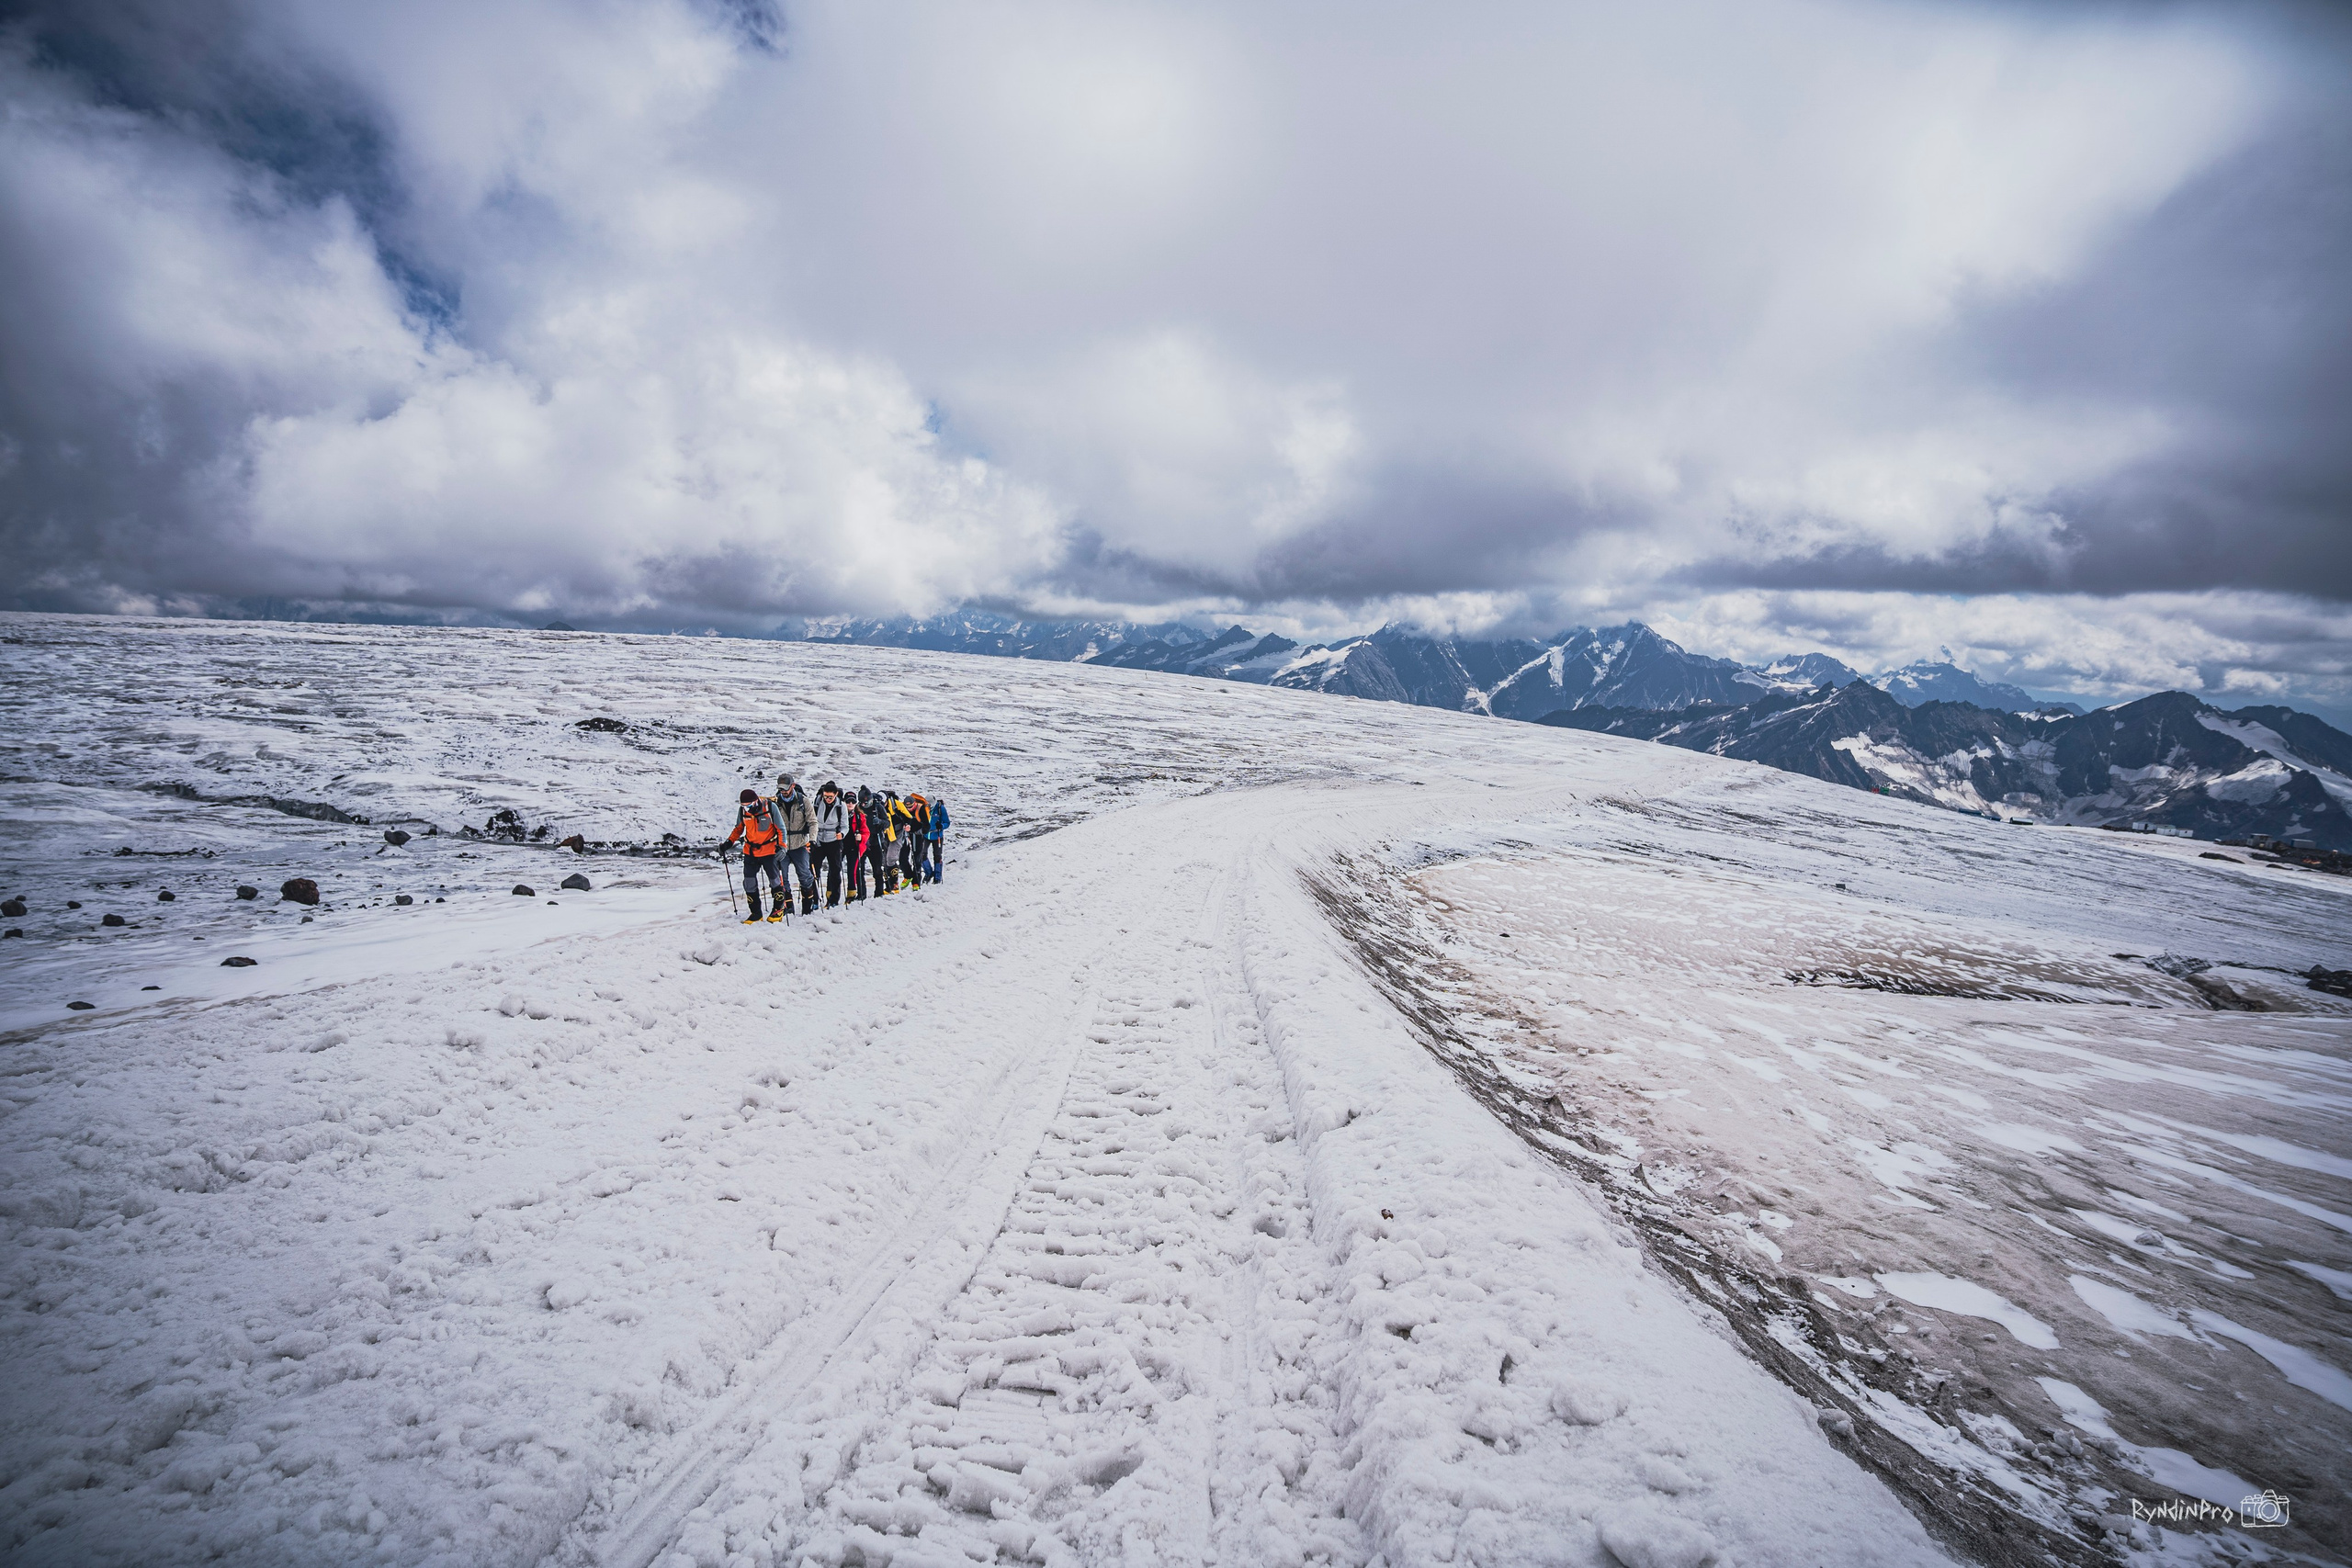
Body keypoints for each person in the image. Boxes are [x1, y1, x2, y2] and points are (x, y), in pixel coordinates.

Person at [723, 787, 785, 923]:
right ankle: (756, 913)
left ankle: (778, 909)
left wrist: (783, 847)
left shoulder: (770, 807)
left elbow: (781, 829)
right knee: (749, 883)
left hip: (769, 850)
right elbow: (739, 828)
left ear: (756, 801)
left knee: (775, 881)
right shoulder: (743, 812)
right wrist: (729, 842)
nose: (746, 809)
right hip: (750, 851)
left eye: (749, 806)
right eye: (743, 806)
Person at [775, 773, 817, 915]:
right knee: (782, 878)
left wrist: (812, 839)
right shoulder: (775, 803)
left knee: (805, 875)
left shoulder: (803, 801)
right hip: (782, 847)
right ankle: (788, 907)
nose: (783, 792)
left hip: (800, 845)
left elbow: (812, 822)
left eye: (786, 788)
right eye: (781, 789)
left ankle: (807, 906)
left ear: (792, 786)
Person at [811, 780, 852, 908]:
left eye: (830, 797)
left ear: (836, 794)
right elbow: (812, 821)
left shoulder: (841, 806)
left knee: (835, 870)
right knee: (813, 870)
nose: (828, 799)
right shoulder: (818, 802)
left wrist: (842, 834)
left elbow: (845, 826)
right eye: (825, 796)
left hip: (834, 840)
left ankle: (834, 899)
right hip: (818, 840)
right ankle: (815, 899)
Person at [923, 795, 949, 882]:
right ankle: (929, 873)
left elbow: (947, 823)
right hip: (926, 835)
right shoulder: (923, 808)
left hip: (937, 836)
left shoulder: (940, 809)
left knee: (937, 856)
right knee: (921, 854)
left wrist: (941, 826)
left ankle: (937, 877)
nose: (929, 806)